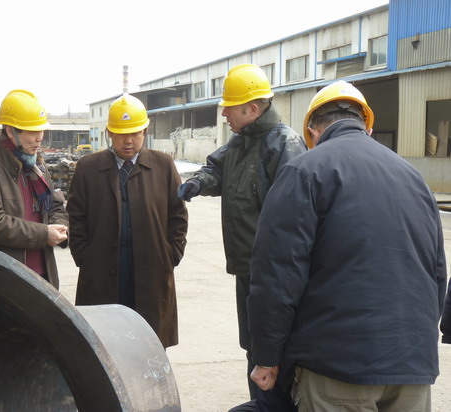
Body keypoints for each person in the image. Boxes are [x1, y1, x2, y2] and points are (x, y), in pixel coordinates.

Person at [249, 80, 447, 412]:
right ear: (367, 128)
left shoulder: (304, 171)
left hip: (336, 368)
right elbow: (437, 273)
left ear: (312, 132)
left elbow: (277, 275)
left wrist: (267, 356)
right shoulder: (414, 178)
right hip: (412, 366)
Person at [177, 63, 307, 407]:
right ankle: (262, 404)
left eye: (229, 107)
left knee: (274, 350)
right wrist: (198, 182)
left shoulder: (284, 145)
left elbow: (296, 218)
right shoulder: (240, 142)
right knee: (254, 346)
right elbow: (216, 169)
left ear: (251, 109)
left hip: (274, 274)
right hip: (247, 269)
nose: (224, 114)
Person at [66, 93, 188, 349]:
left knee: (149, 346)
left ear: (145, 131)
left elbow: (177, 215)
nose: (128, 141)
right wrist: (85, 258)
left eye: (134, 133)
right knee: (104, 345)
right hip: (102, 273)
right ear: (110, 133)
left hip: (151, 272)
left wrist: (171, 254)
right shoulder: (88, 168)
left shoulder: (163, 166)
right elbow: (76, 218)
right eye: (121, 134)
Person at [0, 89, 68, 288]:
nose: (39, 138)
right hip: (1, 282)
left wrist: (59, 226)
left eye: (41, 130)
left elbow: (54, 206)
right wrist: (44, 234)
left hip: (43, 277)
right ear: (11, 131)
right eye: (32, 131)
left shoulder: (37, 166)